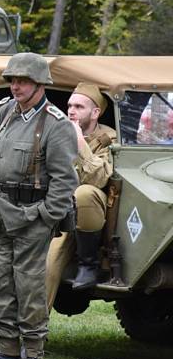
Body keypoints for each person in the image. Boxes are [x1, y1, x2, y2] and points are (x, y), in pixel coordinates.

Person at [0, 52, 78, 359]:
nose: (15, 86)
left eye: (22, 81)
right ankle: (7, 352)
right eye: (12, 80)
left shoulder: (56, 125)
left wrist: (45, 216)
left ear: (39, 83)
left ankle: (33, 356)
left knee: (28, 286)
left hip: (31, 218)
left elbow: (64, 182)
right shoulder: (3, 111)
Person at [46, 83, 116, 304]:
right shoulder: (56, 131)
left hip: (91, 213)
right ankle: (33, 333)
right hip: (58, 209)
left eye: (79, 106)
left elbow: (99, 178)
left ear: (96, 113)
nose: (71, 111)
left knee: (84, 193)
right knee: (45, 268)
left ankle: (88, 263)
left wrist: (78, 143)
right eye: (69, 106)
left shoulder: (109, 138)